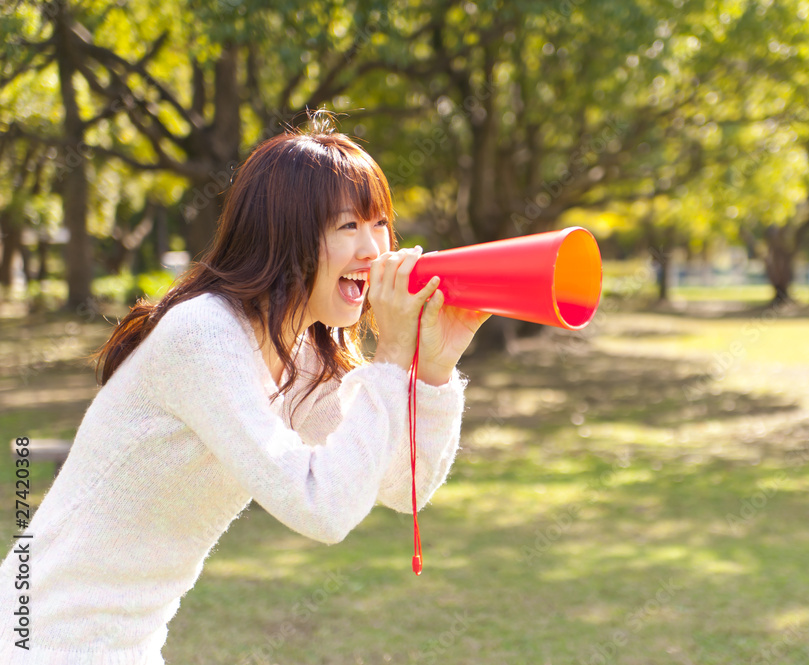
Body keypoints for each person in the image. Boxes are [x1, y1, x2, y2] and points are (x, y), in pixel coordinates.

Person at [0, 124, 490, 663]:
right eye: (348, 225)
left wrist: (434, 371)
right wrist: (393, 359)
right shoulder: (205, 334)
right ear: (284, 237)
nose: (374, 249)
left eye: (379, 224)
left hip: (120, 647)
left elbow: (404, 488)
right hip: (42, 641)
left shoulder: (300, 353)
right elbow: (321, 509)